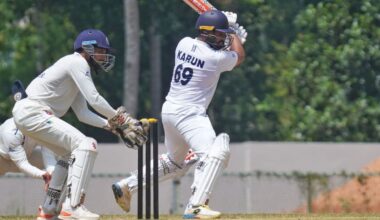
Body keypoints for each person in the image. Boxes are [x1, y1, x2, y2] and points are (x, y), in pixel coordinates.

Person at [112, 10, 246, 219]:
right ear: (208, 32)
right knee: (216, 152)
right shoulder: (213, 57)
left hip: (170, 111)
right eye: (220, 34)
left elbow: (225, 53)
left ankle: (127, 186)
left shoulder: (183, 43)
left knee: (175, 163)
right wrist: (235, 35)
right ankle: (196, 205)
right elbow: (239, 57)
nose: (223, 38)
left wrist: (229, 36)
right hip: (190, 115)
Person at [12, 29, 147, 220]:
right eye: (101, 50)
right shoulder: (77, 62)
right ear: (87, 48)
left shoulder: (74, 69)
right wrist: (123, 120)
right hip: (33, 112)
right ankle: (72, 206)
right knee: (87, 144)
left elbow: (83, 113)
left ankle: (49, 209)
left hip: (28, 114)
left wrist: (111, 126)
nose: (104, 56)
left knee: (68, 154)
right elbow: (95, 99)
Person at [0, 117, 56, 184]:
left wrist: (51, 173)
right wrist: (44, 175)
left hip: (26, 156)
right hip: (2, 160)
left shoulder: (41, 126)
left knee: (59, 159)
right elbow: (22, 164)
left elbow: (48, 155)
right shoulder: (10, 133)